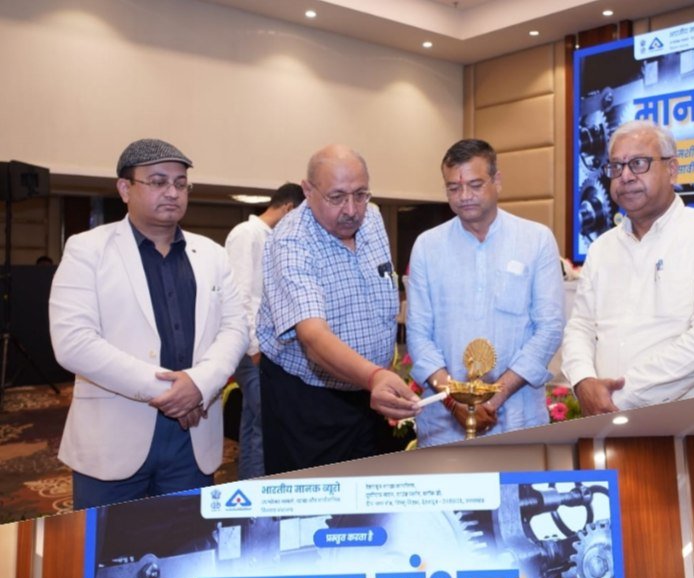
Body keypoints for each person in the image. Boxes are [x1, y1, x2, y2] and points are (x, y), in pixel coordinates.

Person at [49, 138, 248, 509]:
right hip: (113, 436)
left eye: (180, 183)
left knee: (187, 536)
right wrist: (173, 392)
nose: (172, 192)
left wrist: (199, 384)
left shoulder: (212, 254)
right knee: (105, 541)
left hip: (193, 437)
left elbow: (235, 328)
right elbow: (73, 342)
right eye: (158, 182)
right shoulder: (87, 249)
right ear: (125, 189)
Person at [561, 120, 694, 415]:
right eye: (616, 166)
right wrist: (583, 381)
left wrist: (619, 398)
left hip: (679, 422)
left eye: (638, 163)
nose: (625, 176)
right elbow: (581, 327)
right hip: (601, 420)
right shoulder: (601, 248)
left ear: (672, 169)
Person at [256, 144, 419, 472]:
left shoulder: (372, 218)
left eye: (360, 194)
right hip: (309, 401)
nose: (352, 210)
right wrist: (374, 376)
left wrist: (375, 377)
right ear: (307, 191)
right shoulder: (291, 240)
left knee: (368, 486)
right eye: (337, 197)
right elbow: (313, 337)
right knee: (313, 493)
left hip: (368, 393)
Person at [406, 138, 564, 446]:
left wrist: (492, 399)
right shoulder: (427, 246)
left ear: (497, 181)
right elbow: (418, 335)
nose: (464, 196)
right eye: (453, 188)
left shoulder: (536, 240)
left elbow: (549, 329)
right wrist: (455, 403)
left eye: (475, 185)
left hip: (518, 421)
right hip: (443, 427)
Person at [225, 183, 304, 479]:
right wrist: (254, 348)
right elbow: (239, 296)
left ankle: (249, 486)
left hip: (265, 347)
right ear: (289, 208)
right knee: (267, 425)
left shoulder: (270, 237)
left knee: (253, 424)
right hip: (252, 347)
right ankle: (259, 488)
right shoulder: (246, 234)